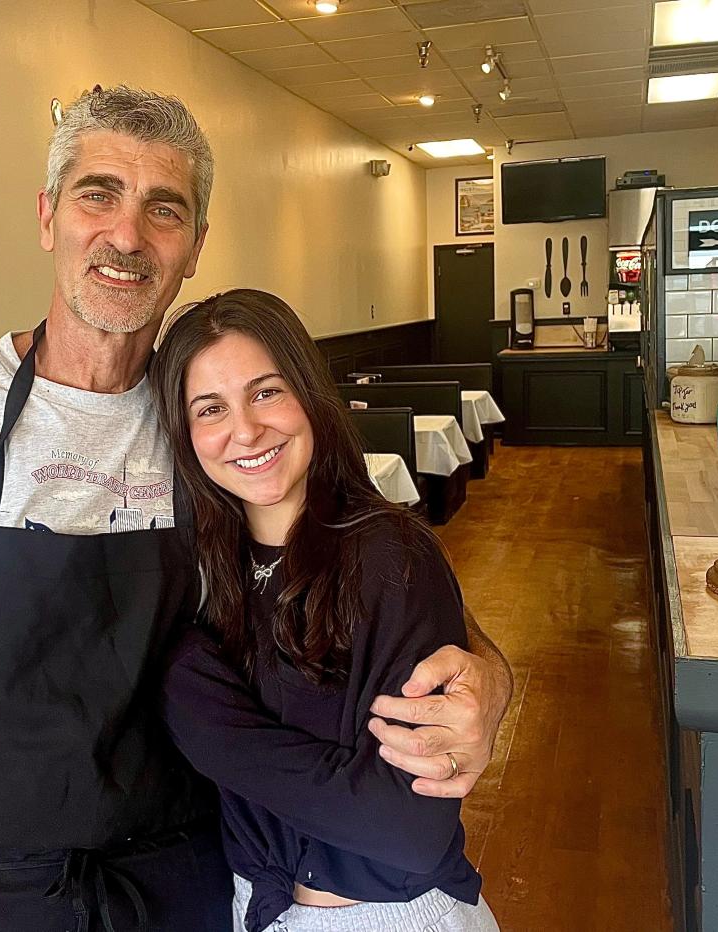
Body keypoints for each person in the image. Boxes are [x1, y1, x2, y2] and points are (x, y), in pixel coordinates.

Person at [0, 85, 512, 932]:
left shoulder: (211, 426)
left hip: (180, 885)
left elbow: (353, 558)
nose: (127, 236)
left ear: (195, 245)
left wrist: (490, 672)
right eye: (99, 195)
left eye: (165, 210)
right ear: (47, 216)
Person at [151, 289, 500, 932]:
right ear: (184, 432)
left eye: (265, 392)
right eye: (210, 408)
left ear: (309, 393)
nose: (246, 430)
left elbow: (405, 826)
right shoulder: (202, 571)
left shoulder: (389, 555)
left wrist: (188, 699)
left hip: (385, 919)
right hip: (250, 906)